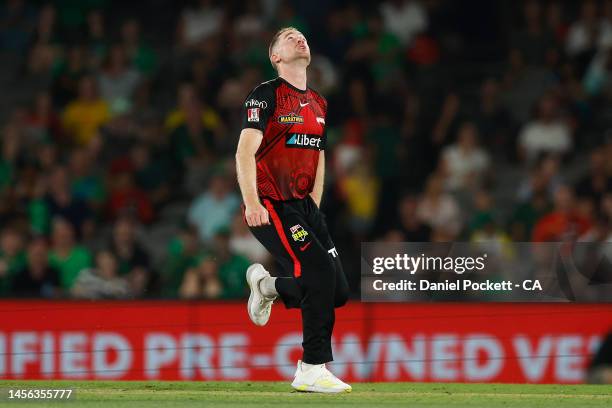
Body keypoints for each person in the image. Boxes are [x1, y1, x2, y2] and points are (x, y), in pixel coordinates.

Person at [235, 27, 351, 393]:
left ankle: (267, 286)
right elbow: (244, 153)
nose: (299, 38)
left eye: (301, 36)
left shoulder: (319, 103)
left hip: (304, 207)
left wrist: (314, 204)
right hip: (272, 204)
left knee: (337, 292)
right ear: (276, 56)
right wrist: (253, 203)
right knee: (317, 271)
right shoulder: (265, 95)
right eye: (288, 37)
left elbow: (317, 156)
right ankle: (311, 367)